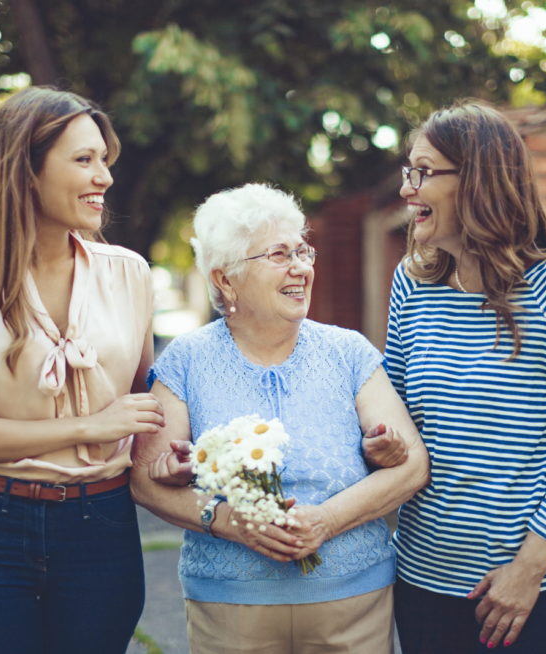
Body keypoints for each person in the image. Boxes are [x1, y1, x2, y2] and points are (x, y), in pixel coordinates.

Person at [0, 86, 163, 654]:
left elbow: (149, 403)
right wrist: (86, 427)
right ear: (26, 170)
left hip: (103, 528)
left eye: (105, 160)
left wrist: (178, 455)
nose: (105, 177)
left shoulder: (131, 275)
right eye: (84, 160)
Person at [130, 183, 430, 654]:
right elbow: (145, 480)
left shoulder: (347, 352)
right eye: (277, 254)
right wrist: (229, 521)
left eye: (302, 251)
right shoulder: (186, 360)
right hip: (230, 606)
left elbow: (413, 464)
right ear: (225, 279)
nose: (301, 268)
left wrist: (326, 521)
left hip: (353, 602)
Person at [386, 100, 546, 653]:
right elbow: (390, 420)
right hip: (422, 580)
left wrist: (528, 571)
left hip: (529, 591)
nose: (406, 189)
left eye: (422, 172)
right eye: (406, 172)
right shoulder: (411, 283)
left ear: (478, 181)